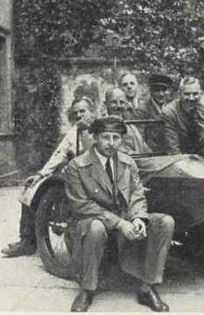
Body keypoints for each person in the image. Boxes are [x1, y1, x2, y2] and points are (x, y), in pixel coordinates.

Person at [64, 117, 175, 312]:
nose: (111, 143)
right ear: (95, 138)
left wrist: (138, 218)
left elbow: (137, 194)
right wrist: (120, 223)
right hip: (90, 222)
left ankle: (147, 287)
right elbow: (81, 206)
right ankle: (87, 289)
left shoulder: (128, 163)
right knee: (96, 227)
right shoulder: (77, 166)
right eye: (105, 137)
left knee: (164, 222)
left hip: (124, 219)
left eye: (116, 138)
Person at [1, 96, 96, 258]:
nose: (79, 115)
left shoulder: (100, 129)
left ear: (92, 112)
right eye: (76, 113)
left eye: (83, 111)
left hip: (92, 178)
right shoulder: (73, 132)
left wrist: (85, 131)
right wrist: (40, 174)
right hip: (74, 176)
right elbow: (59, 155)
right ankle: (27, 240)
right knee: (32, 186)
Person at [133, 73, 175, 153]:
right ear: (151, 91)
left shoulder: (173, 107)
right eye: (157, 90)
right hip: (152, 154)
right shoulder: (142, 110)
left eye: (164, 90)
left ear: (169, 91)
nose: (161, 94)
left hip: (172, 153)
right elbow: (139, 138)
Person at [162, 76, 203, 155]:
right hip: (180, 158)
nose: (191, 98)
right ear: (179, 94)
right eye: (187, 94)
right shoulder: (170, 112)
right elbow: (173, 148)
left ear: (201, 93)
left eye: (195, 94)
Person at [104, 87, 151, 155]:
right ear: (106, 104)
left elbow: (146, 152)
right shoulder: (101, 128)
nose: (118, 106)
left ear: (126, 105)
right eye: (114, 102)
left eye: (121, 102)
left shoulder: (132, 128)